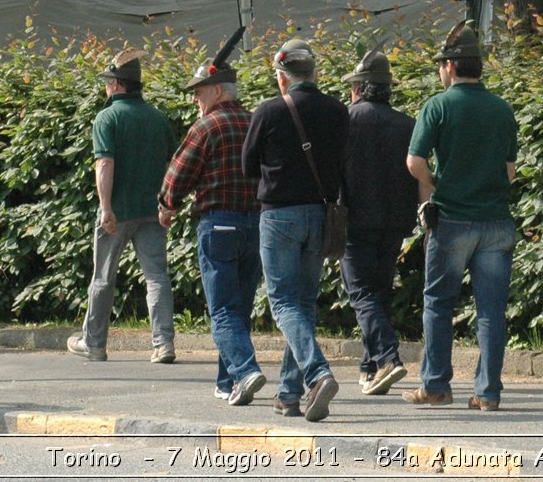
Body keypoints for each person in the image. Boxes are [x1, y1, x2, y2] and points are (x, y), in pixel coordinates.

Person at [404, 23, 518, 411]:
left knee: (438, 302)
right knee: (491, 309)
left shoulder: (437, 106)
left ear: (451, 66)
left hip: (452, 220)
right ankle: (488, 392)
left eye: (441, 64)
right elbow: (510, 172)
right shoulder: (502, 109)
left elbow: (414, 162)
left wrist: (436, 184)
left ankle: (435, 385)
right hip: (497, 221)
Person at [241, 38, 349, 422]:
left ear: (282, 78)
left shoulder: (268, 111)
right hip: (320, 214)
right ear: (314, 73)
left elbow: (248, 166)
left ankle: (317, 374)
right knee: (302, 304)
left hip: (279, 216)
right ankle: (288, 394)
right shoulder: (339, 111)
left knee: (284, 303)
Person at [157, 50, 264, 408]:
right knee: (240, 307)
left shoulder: (206, 126)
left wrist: (167, 206)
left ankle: (246, 370)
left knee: (221, 310)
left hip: (219, 224)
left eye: (199, 91)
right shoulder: (255, 122)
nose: (194, 98)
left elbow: (178, 177)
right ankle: (228, 381)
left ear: (218, 91)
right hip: (257, 224)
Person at [67, 51, 177, 364]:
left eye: (107, 82)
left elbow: (104, 163)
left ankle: (95, 344)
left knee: (103, 277)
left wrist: (105, 207)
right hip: (153, 211)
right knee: (157, 276)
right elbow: (172, 165)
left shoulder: (107, 118)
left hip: (118, 211)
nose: (105, 87)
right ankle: (164, 343)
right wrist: (168, 203)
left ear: (117, 84)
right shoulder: (158, 117)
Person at [339, 48, 419, 396]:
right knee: (379, 292)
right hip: (395, 221)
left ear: (358, 88)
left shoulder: (346, 119)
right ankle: (370, 367)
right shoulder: (407, 124)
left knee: (361, 293)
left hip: (355, 219)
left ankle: (386, 357)